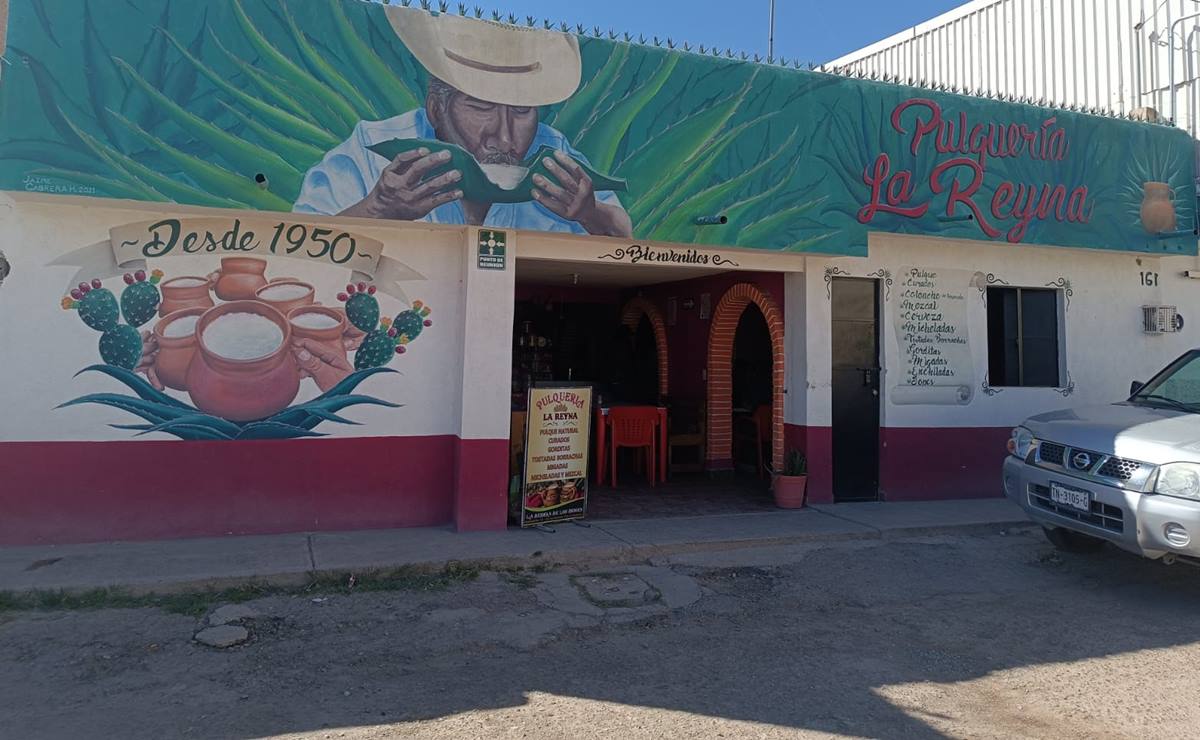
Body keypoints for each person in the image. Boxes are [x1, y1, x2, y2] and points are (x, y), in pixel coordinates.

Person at [294, 7, 632, 238]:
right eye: (481, 107)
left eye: (521, 111)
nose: (504, 138)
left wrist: (589, 213)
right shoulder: (370, 152)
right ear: (435, 108)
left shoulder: (553, 151)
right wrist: (378, 209)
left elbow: (625, 237)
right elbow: (292, 245)